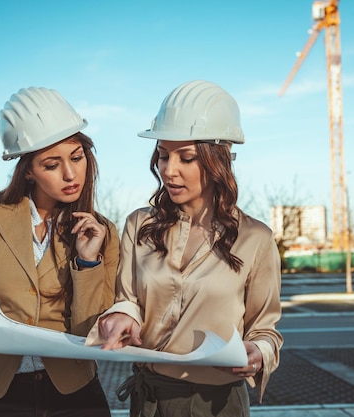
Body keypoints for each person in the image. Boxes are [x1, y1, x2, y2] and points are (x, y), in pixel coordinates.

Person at [86, 80, 283, 417]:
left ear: (217, 161)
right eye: (163, 155)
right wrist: (121, 317)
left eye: (186, 157)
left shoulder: (256, 238)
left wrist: (258, 351)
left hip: (219, 404)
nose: (168, 170)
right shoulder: (138, 225)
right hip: (148, 397)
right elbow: (128, 300)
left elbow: (265, 329)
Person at [0, 86, 119, 417]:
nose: (71, 174)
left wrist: (87, 261)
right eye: (52, 164)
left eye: (77, 157)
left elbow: (92, 331)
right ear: (28, 170)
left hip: (73, 390)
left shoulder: (102, 232)